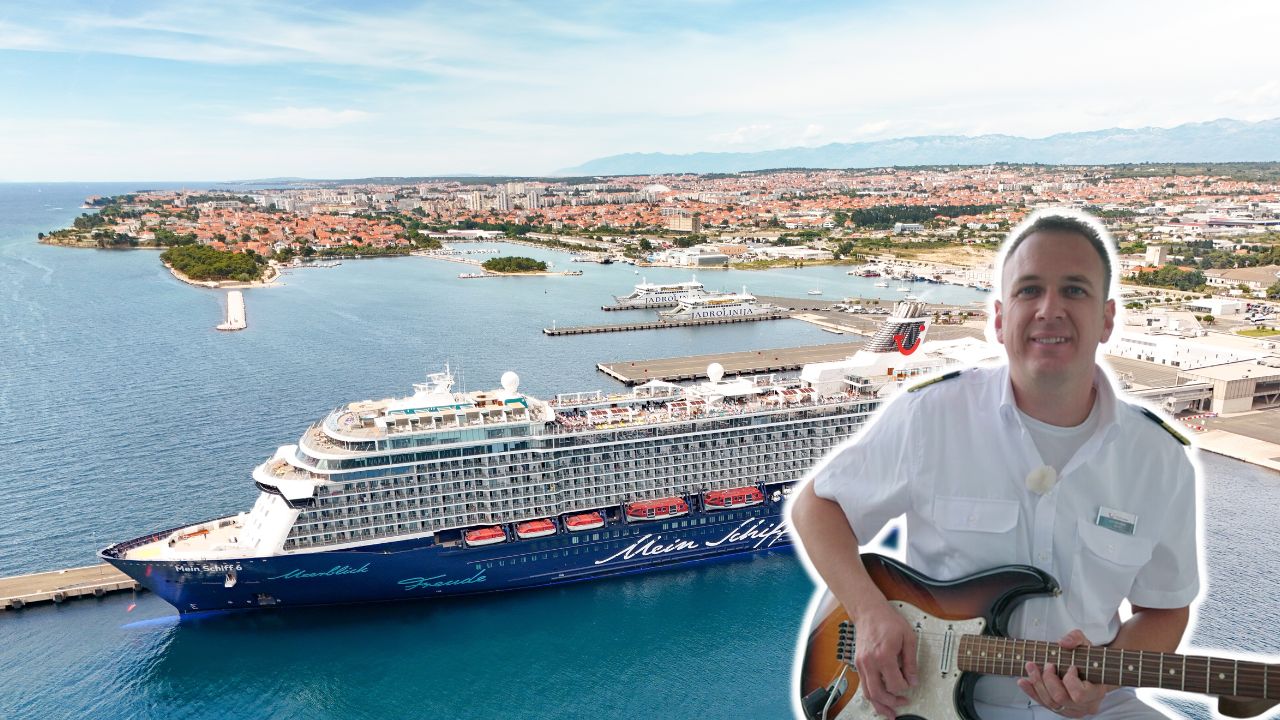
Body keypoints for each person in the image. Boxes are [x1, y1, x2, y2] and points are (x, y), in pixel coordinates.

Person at [789, 210, 1201, 720]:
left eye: (1074, 290)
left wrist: (1104, 677)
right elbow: (817, 508)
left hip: (1095, 708)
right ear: (1001, 319)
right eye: (1030, 290)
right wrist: (869, 613)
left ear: (1107, 319)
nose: (1050, 309)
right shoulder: (931, 417)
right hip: (925, 700)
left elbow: (1165, 607)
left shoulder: (1159, 460)